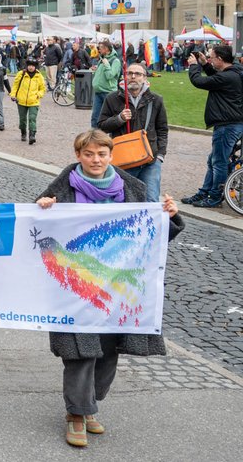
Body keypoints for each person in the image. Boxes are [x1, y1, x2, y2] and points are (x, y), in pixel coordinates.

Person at [34, 129, 183, 447]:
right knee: (79, 353)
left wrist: (169, 216)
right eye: (88, 154)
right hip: (74, 289)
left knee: (108, 352)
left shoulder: (135, 189)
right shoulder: (62, 189)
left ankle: (89, 404)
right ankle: (76, 413)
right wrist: (42, 209)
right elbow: (37, 233)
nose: (95, 160)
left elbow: (154, 235)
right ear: (78, 156)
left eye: (101, 154)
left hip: (117, 290)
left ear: (111, 156)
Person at [96, 63, 169, 202]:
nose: (133, 76)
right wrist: (119, 119)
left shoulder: (156, 100)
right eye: (129, 73)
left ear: (145, 78)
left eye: (138, 74)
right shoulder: (112, 98)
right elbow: (101, 126)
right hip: (123, 160)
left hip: (150, 160)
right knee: (123, 200)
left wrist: (160, 156)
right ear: (125, 76)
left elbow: (162, 129)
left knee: (151, 200)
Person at [183, 45, 243, 207]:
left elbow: (199, 81)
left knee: (219, 162)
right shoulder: (234, 72)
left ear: (220, 59)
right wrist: (205, 64)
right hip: (231, 123)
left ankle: (215, 197)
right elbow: (216, 78)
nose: (210, 59)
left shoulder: (228, 77)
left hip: (227, 125)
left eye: (212, 57)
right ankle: (205, 192)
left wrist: (194, 65)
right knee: (214, 161)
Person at [10, 58, 47, 144]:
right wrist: (13, 95)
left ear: (35, 67)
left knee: (32, 118)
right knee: (22, 119)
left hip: (34, 101)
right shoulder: (21, 74)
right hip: (21, 100)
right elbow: (15, 85)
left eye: (33, 66)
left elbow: (42, 88)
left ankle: (32, 135)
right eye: (29, 65)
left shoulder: (39, 76)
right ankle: (23, 133)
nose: (31, 67)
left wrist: (38, 95)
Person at [90, 41, 122, 128]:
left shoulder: (115, 61)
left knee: (108, 117)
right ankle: (95, 134)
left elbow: (110, 76)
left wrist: (107, 65)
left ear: (106, 49)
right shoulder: (102, 59)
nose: (99, 50)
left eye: (100, 48)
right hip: (98, 91)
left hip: (108, 92)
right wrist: (96, 69)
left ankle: (107, 134)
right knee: (95, 117)